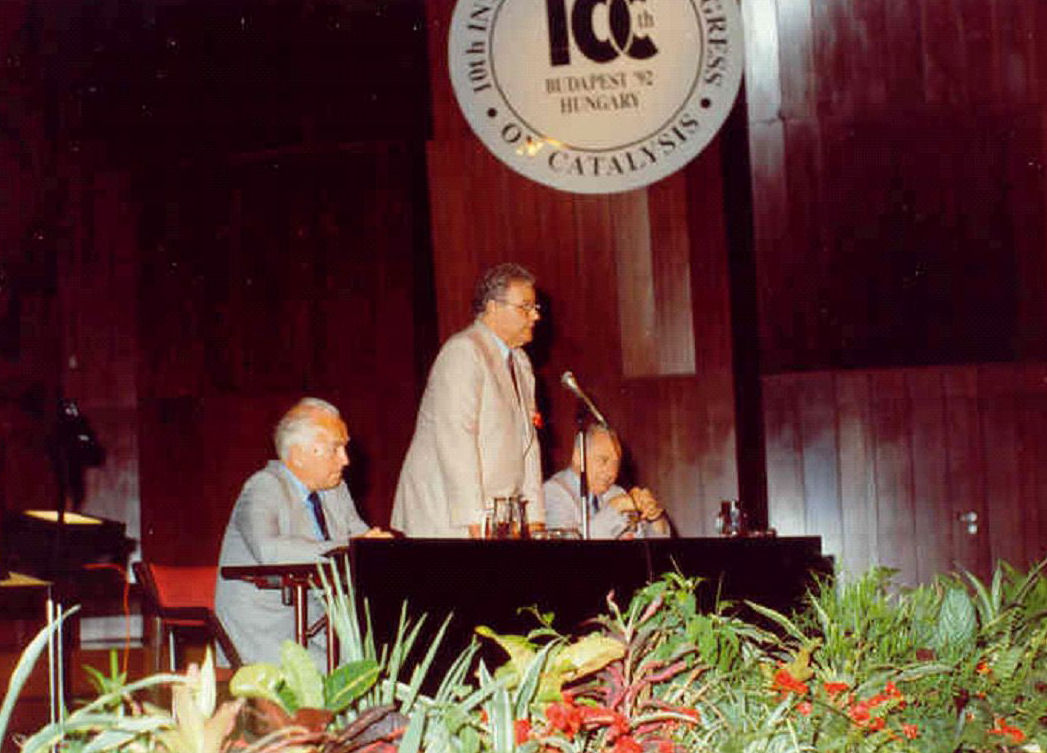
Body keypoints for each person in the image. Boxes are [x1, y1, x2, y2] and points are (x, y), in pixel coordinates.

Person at [214, 397, 389, 666]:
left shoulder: (336, 490)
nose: (345, 460)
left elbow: (362, 542)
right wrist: (352, 545)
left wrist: (381, 547)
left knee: (381, 663)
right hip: (265, 630)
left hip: (317, 623)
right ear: (298, 455)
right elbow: (270, 551)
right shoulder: (263, 487)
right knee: (346, 675)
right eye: (335, 448)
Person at [391, 262, 546, 538]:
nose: (535, 316)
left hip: (497, 516)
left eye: (534, 307)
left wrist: (534, 518)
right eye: (525, 307)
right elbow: (456, 440)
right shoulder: (464, 352)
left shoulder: (520, 362)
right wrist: (474, 518)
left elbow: (529, 447)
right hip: (448, 517)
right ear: (493, 307)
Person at [543, 424, 671, 539]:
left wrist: (654, 518)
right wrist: (615, 508)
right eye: (603, 460)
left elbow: (651, 545)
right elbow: (568, 549)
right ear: (578, 457)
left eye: (616, 464)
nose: (611, 472)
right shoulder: (553, 491)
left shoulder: (616, 492)